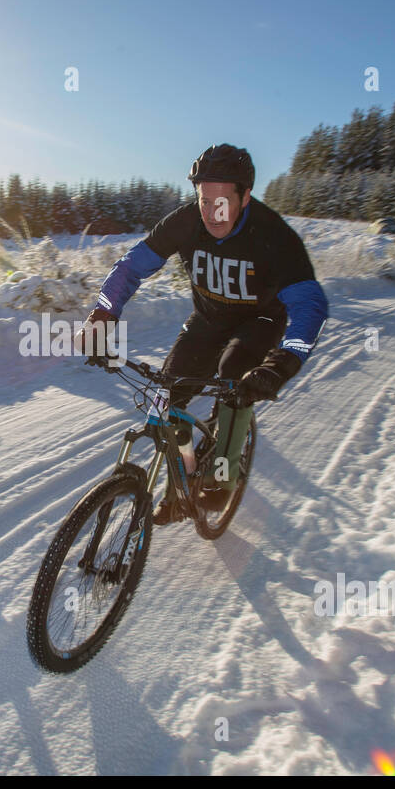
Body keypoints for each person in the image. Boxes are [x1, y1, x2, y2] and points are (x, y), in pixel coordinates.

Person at [77, 144, 329, 524]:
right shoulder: (185, 222)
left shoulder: (276, 238)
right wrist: (104, 312)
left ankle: (223, 475)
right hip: (208, 319)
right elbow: (131, 267)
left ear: (246, 196)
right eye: (204, 201)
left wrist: (285, 361)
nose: (213, 213)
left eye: (223, 202)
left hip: (259, 323)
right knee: (169, 397)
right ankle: (178, 488)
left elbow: (310, 306)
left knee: (233, 378)